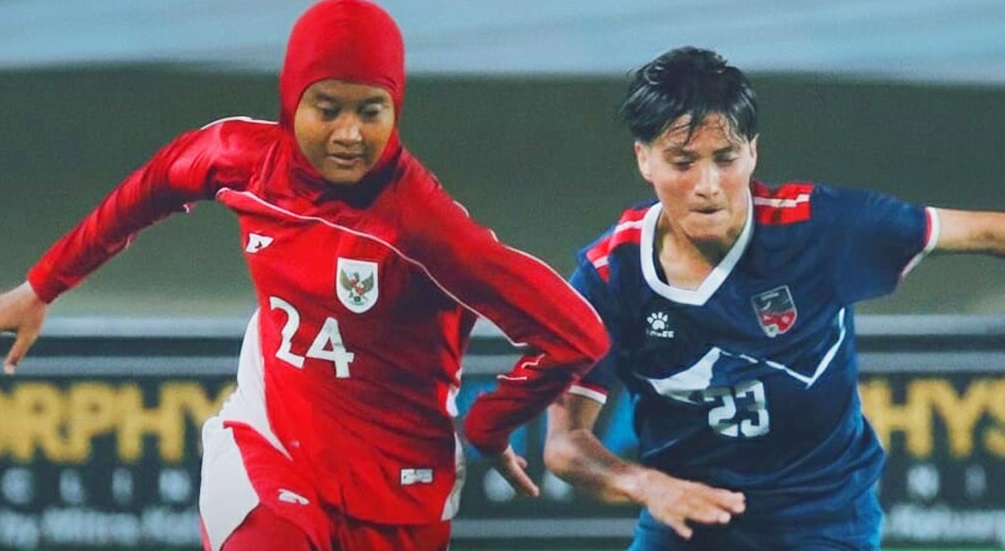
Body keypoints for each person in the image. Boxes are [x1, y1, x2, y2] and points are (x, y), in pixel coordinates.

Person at [0, 1, 609, 550]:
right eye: (327, 109)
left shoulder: (428, 230)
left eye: (371, 111)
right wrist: (44, 285)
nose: (349, 134)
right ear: (292, 101)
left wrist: (488, 424)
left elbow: (576, 335)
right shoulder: (241, 159)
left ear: (396, 108)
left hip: (401, 486)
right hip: (272, 445)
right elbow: (153, 186)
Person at [543, 46, 1005, 551]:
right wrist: (648, 486)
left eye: (725, 158)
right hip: (686, 518)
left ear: (753, 153)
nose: (707, 186)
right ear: (644, 159)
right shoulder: (608, 277)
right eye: (683, 162)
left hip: (823, 520)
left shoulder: (823, 228)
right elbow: (565, 444)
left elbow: (986, 232)